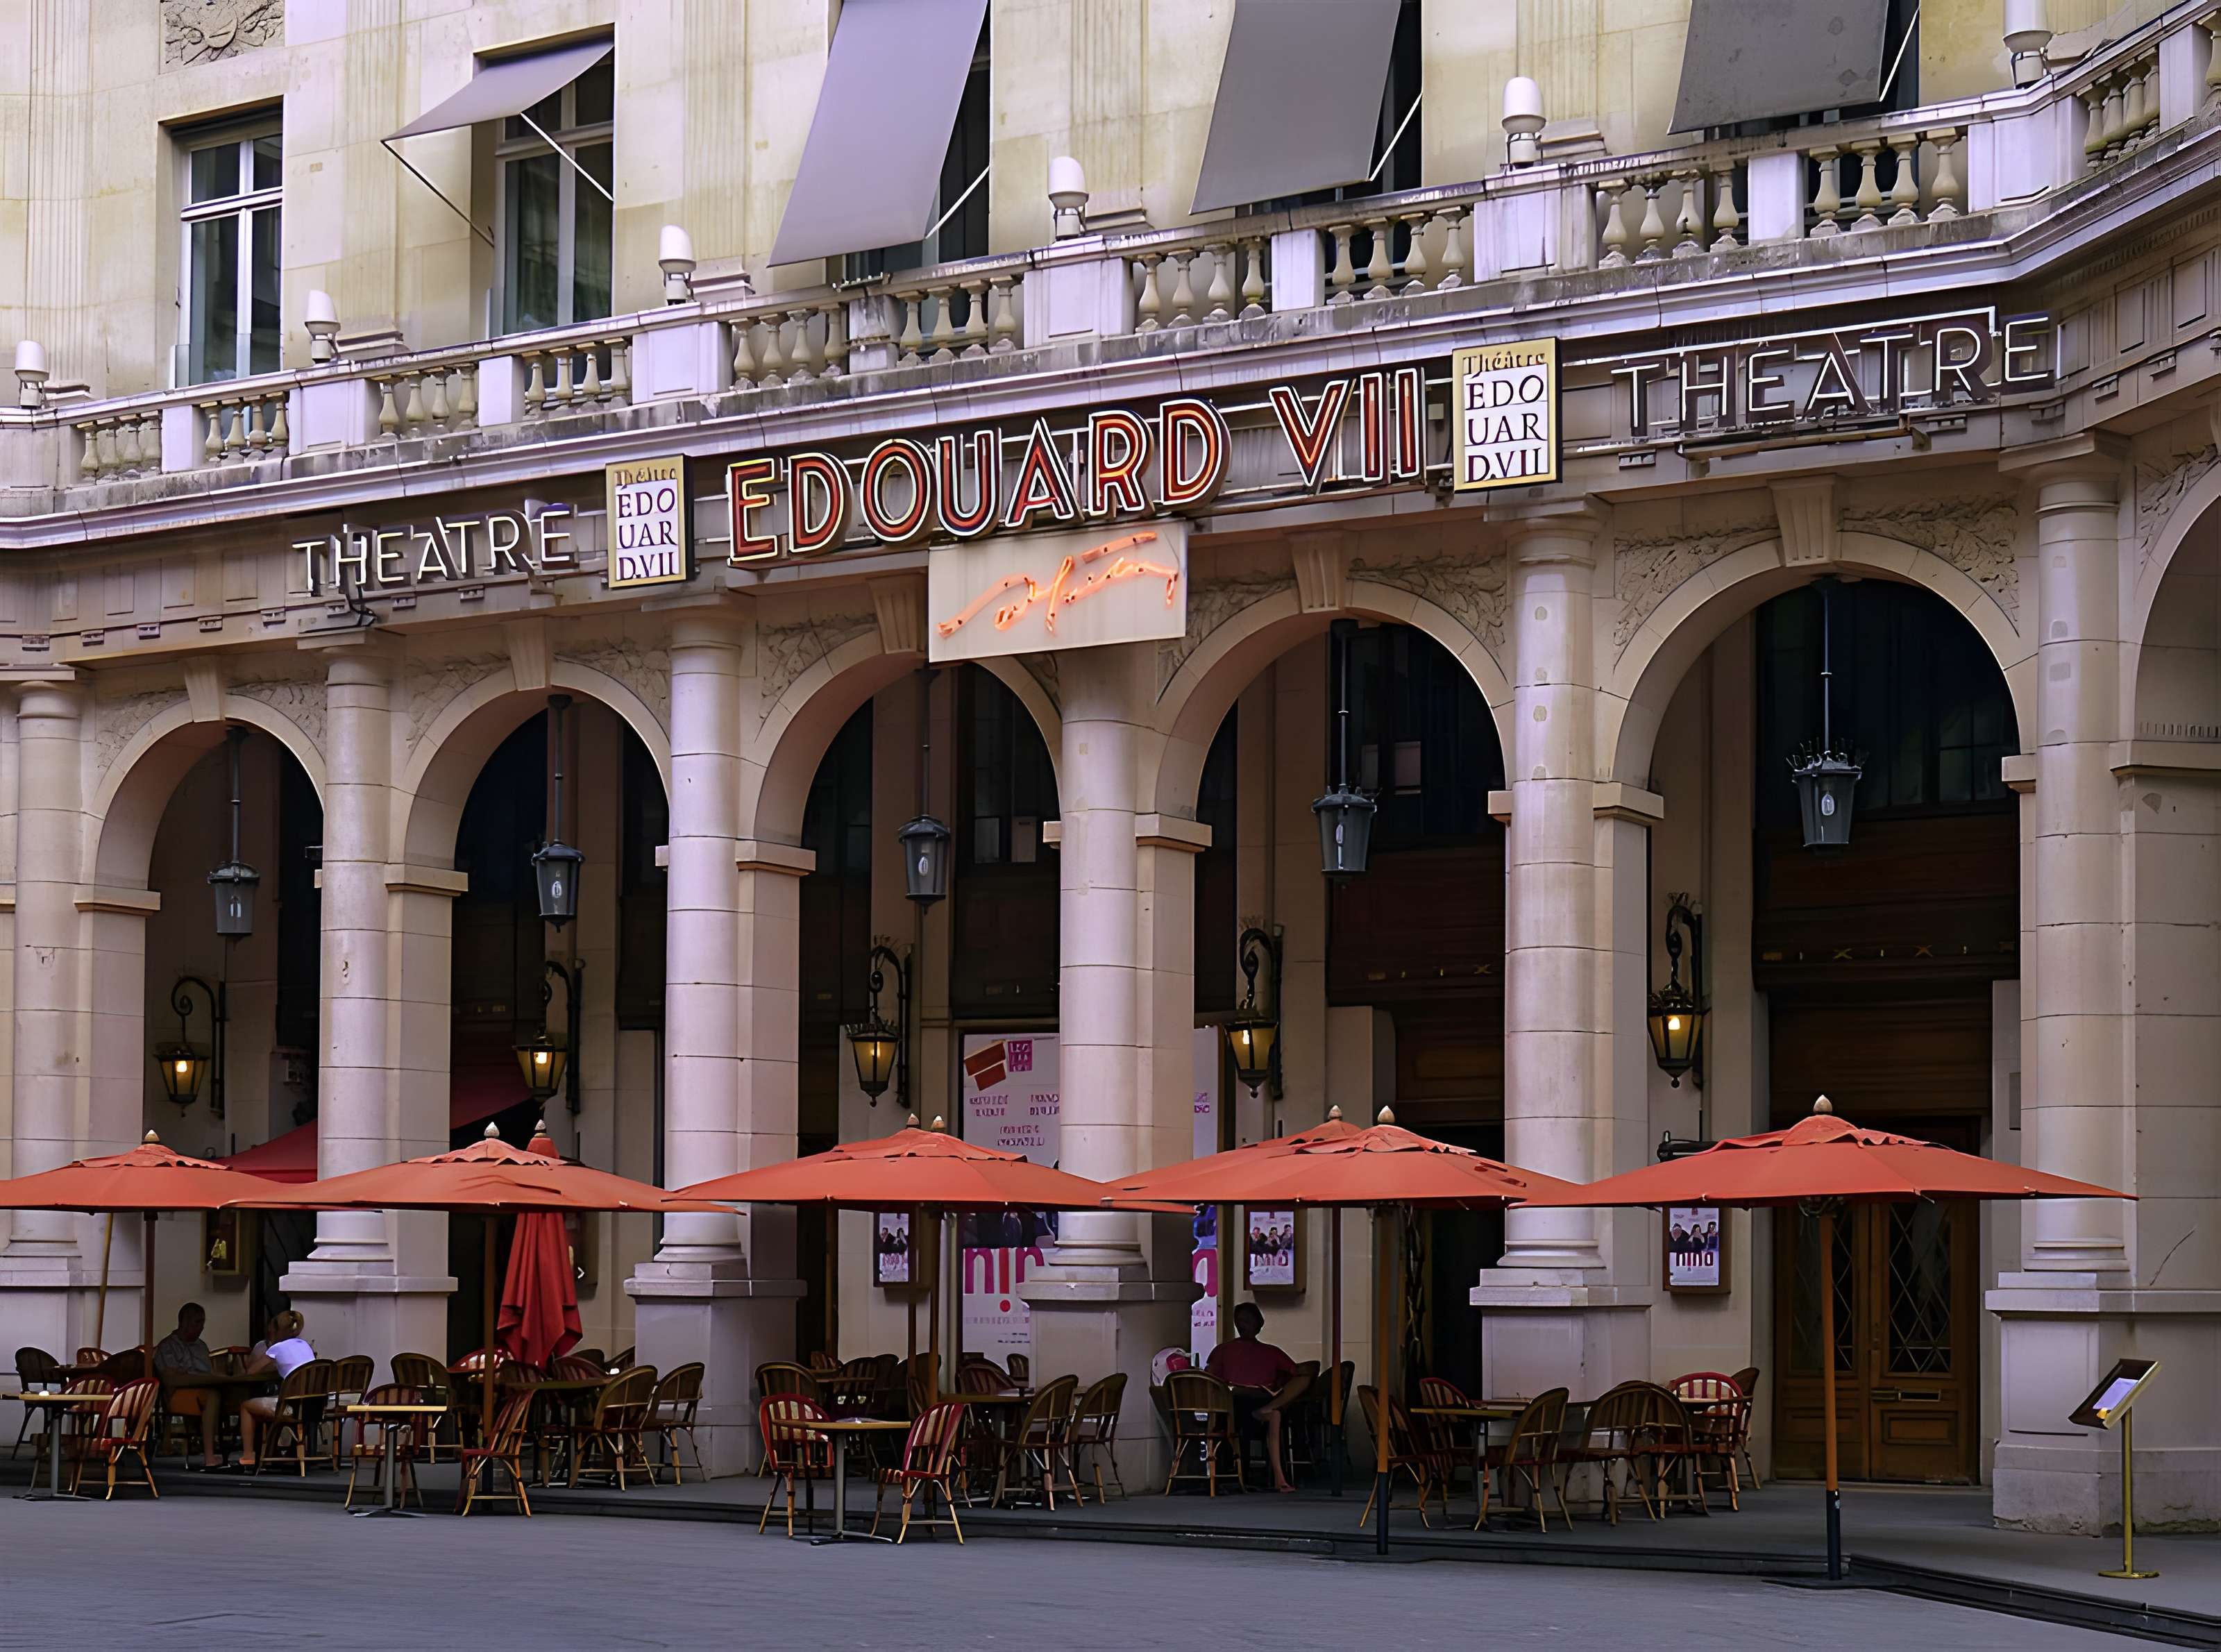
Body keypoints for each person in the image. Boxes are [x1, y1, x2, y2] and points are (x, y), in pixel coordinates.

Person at [1206, 1301, 1305, 1492]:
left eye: (1248, 1320)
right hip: (1234, 1406)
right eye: (1240, 1320)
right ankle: (1279, 1477)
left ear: (1258, 1324)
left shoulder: (1270, 1352)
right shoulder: (1223, 1351)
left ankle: (1279, 1478)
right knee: (1274, 1414)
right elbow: (1211, 1380)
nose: (1243, 1324)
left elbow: (1298, 1373)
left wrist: (1280, 1384)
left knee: (1276, 1412)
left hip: (1258, 1404)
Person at [235, 1310, 316, 1472]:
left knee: (246, 1406)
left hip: (291, 1408)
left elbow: (251, 1372)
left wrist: (238, 1362)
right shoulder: (305, 1345)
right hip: (313, 1405)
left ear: (277, 1331)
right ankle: (274, 1451)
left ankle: (249, 1456)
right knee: (275, 1399)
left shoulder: (276, 1348)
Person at [154, 1302, 230, 1470]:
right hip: (178, 1395)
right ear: (184, 1322)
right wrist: (200, 1379)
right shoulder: (167, 1347)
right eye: (198, 1322)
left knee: (232, 1392)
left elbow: (208, 1373)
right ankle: (209, 1456)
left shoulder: (201, 1346)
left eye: (203, 1322)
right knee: (212, 1395)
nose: (202, 1327)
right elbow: (171, 1379)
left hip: (204, 1388)